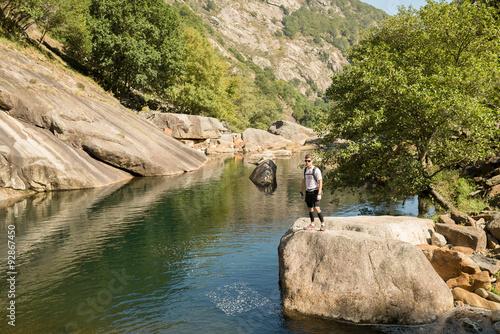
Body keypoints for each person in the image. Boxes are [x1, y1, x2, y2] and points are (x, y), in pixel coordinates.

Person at [300, 154, 325, 231]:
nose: (307, 162)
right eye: (306, 161)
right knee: (310, 209)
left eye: (309, 161)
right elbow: (304, 181)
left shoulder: (316, 170)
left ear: (312, 161)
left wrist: (319, 193)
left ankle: (323, 224)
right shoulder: (305, 170)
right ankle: (312, 223)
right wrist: (301, 191)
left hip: (315, 191)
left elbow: (320, 182)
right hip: (308, 191)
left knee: (317, 208)